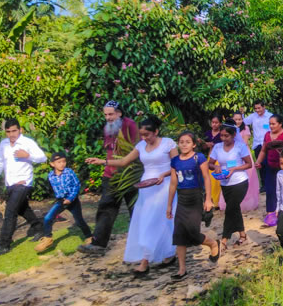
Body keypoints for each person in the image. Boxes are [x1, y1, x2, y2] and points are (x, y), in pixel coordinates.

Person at [86, 117, 177, 276]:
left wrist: (164, 174)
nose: (144, 138)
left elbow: (178, 165)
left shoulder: (168, 143)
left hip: (165, 187)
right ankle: (163, 254)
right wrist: (102, 161)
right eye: (142, 135)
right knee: (147, 221)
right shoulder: (141, 146)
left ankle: (147, 261)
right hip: (146, 188)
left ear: (156, 131)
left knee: (158, 221)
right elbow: (123, 162)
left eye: (147, 134)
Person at [78, 100, 139, 255]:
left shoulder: (130, 125)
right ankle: (98, 244)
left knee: (136, 209)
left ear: (119, 113)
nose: (108, 118)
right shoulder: (108, 128)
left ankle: (142, 243)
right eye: (105, 115)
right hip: (110, 174)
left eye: (111, 114)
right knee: (106, 208)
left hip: (129, 175)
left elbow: (137, 149)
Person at [0, 118, 46, 258]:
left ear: (20, 130)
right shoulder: (4, 144)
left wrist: (28, 155)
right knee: (23, 209)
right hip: (10, 183)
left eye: (14, 131)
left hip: (23, 183)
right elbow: (0, 163)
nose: (11, 134)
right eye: (8, 131)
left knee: (10, 212)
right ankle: (39, 229)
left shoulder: (27, 142)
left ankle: (4, 245)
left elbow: (42, 158)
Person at [166, 132, 219, 281]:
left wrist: (207, 199)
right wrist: (169, 205)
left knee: (193, 233)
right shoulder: (175, 161)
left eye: (188, 142)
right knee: (179, 235)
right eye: (181, 142)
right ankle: (182, 269)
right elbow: (173, 183)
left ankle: (213, 244)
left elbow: (206, 178)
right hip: (181, 199)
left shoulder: (198, 158)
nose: (184, 144)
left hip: (196, 197)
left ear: (194, 144)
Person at [34, 152, 93, 253]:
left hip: (72, 201)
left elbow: (77, 185)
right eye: (59, 162)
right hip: (60, 201)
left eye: (64, 161)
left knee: (79, 221)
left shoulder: (69, 172)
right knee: (47, 218)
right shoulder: (51, 175)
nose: (62, 164)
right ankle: (48, 239)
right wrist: (61, 198)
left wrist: (70, 198)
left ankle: (89, 237)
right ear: (52, 164)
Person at [208, 121, 253, 251]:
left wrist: (234, 169)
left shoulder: (240, 146)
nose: (223, 138)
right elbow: (210, 163)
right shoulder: (217, 147)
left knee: (230, 209)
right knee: (234, 208)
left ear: (233, 135)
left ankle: (224, 239)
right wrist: (216, 167)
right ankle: (242, 235)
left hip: (240, 182)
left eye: (226, 136)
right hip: (224, 182)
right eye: (221, 135)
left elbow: (249, 164)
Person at [255, 115, 283, 226]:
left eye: (273, 124)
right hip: (271, 166)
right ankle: (271, 215)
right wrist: (258, 161)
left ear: (280, 124)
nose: (271, 126)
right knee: (270, 191)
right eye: (270, 124)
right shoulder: (267, 135)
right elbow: (263, 150)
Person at [222, 115, 261, 213]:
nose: (238, 121)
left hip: (242, 155)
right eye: (236, 119)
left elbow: (244, 143)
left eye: (239, 119)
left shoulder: (245, 129)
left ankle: (243, 202)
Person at [244, 100, 274, 192]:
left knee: (269, 164)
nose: (257, 110)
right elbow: (243, 122)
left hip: (269, 144)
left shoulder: (270, 116)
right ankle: (264, 185)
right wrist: (241, 114)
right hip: (257, 144)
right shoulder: (253, 116)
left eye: (259, 108)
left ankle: (271, 184)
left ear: (264, 107)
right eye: (255, 108)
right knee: (260, 165)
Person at [203, 113, 224, 207]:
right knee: (211, 179)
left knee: (218, 180)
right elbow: (203, 147)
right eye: (213, 122)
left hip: (220, 157)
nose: (214, 124)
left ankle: (219, 201)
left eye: (216, 122)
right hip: (210, 157)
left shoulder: (222, 133)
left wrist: (214, 145)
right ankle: (212, 201)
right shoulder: (207, 133)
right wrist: (205, 144)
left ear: (220, 123)